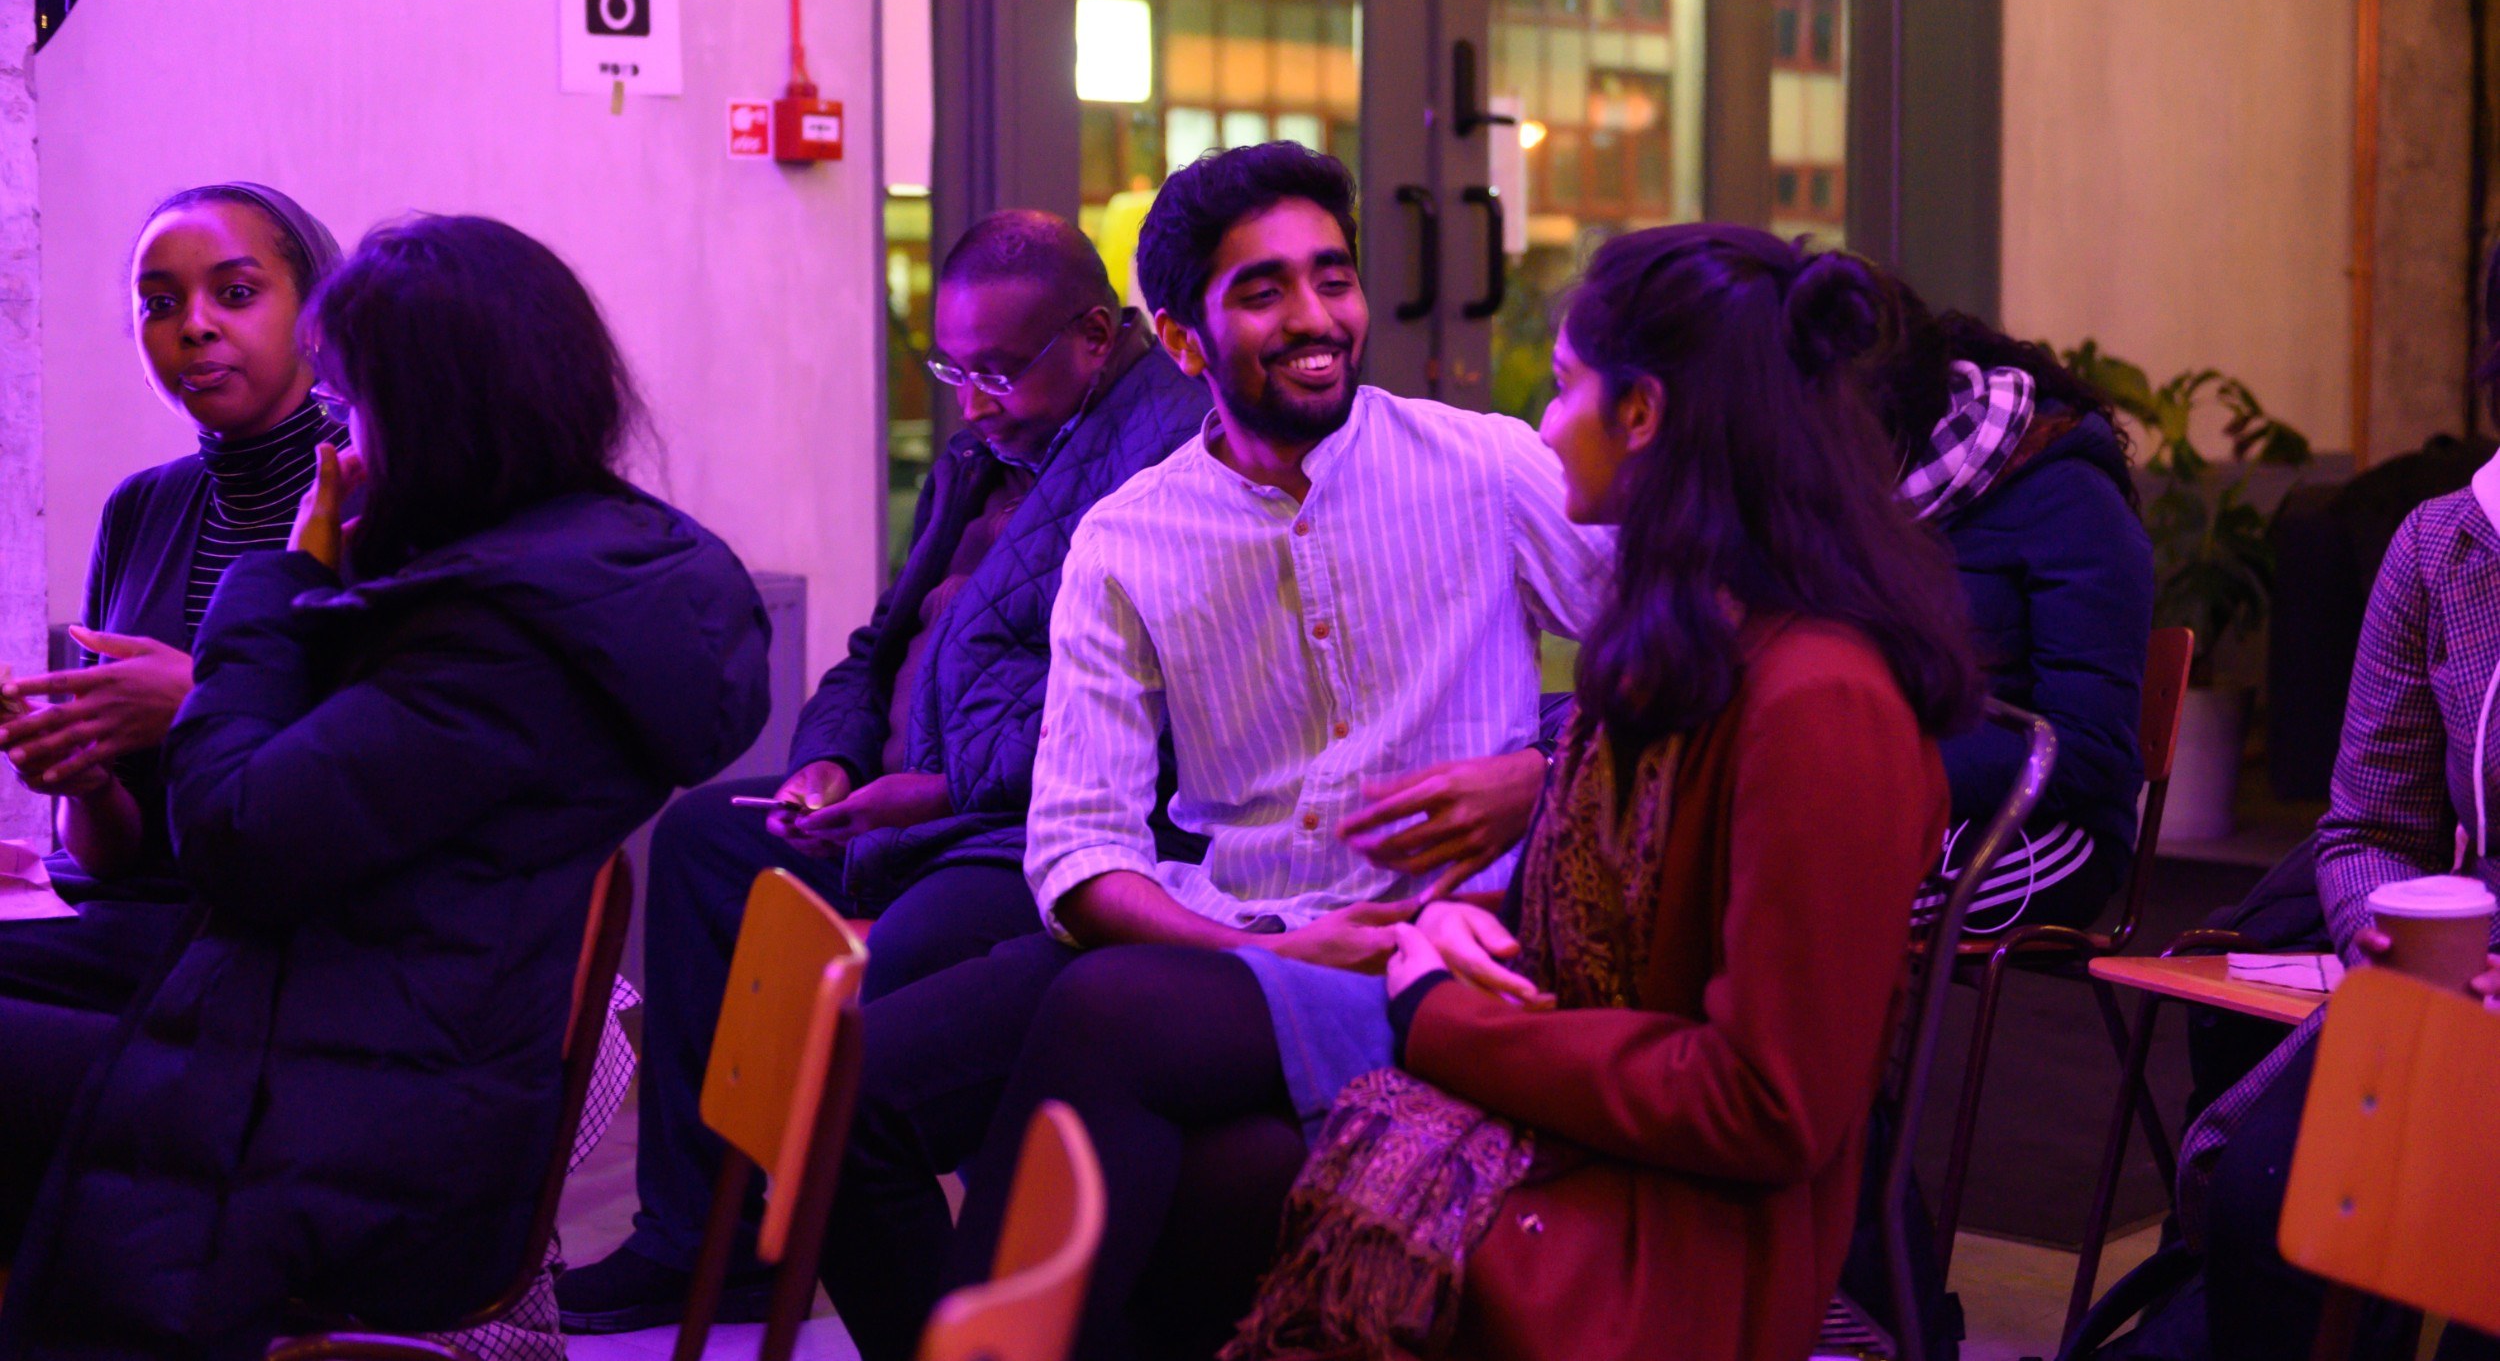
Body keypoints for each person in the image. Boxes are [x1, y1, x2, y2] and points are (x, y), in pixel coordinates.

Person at [813, 142, 1611, 1361]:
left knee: (1105, 1018)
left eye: (1331, 277)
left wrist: (1543, 772)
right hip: (1227, 937)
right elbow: (1078, 852)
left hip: (1436, 953)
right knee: (844, 1103)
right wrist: (1259, 945)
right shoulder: (1130, 539)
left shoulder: (1483, 468)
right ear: (1183, 343)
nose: (1315, 319)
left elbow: (1683, 680)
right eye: (1263, 291)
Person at [0, 215, 771, 1361]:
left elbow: (231, 836)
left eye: (355, 408)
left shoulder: (502, 633)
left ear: (440, 419)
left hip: (373, 1135)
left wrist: (280, 584)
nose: (344, 446)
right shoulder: (558, 560)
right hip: (344, 1037)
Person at [556, 209, 1211, 1333]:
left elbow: (1127, 712)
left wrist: (941, 788)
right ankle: (694, 1231)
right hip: (899, 800)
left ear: (1097, 337)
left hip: (1007, 828)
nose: (971, 401)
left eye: (1000, 371)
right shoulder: (982, 455)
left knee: (885, 1003)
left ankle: (935, 1287)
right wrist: (828, 758)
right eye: (954, 369)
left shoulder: (1158, 461)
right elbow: (876, 646)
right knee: (711, 839)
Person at [2178, 262, 2500, 1361]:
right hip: (2459, 995)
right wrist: (2385, 927)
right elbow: (2370, 827)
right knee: (2263, 1199)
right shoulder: (2444, 549)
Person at [0, 183, 343, 1042]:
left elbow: (377, 783)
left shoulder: (372, 497)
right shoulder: (143, 509)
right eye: (159, 303)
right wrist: (81, 772)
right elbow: (111, 851)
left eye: (235, 293)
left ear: (314, 315)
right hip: (132, 915)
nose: (192, 326)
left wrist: (197, 700)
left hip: (290, 943)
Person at [1873, 285, 2154, 932]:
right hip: (1905, 796)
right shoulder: (1876, 496)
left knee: (1833, 903)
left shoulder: (2072, 500)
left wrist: (1887, 765)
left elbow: (2086, 751)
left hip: (2050, 829)